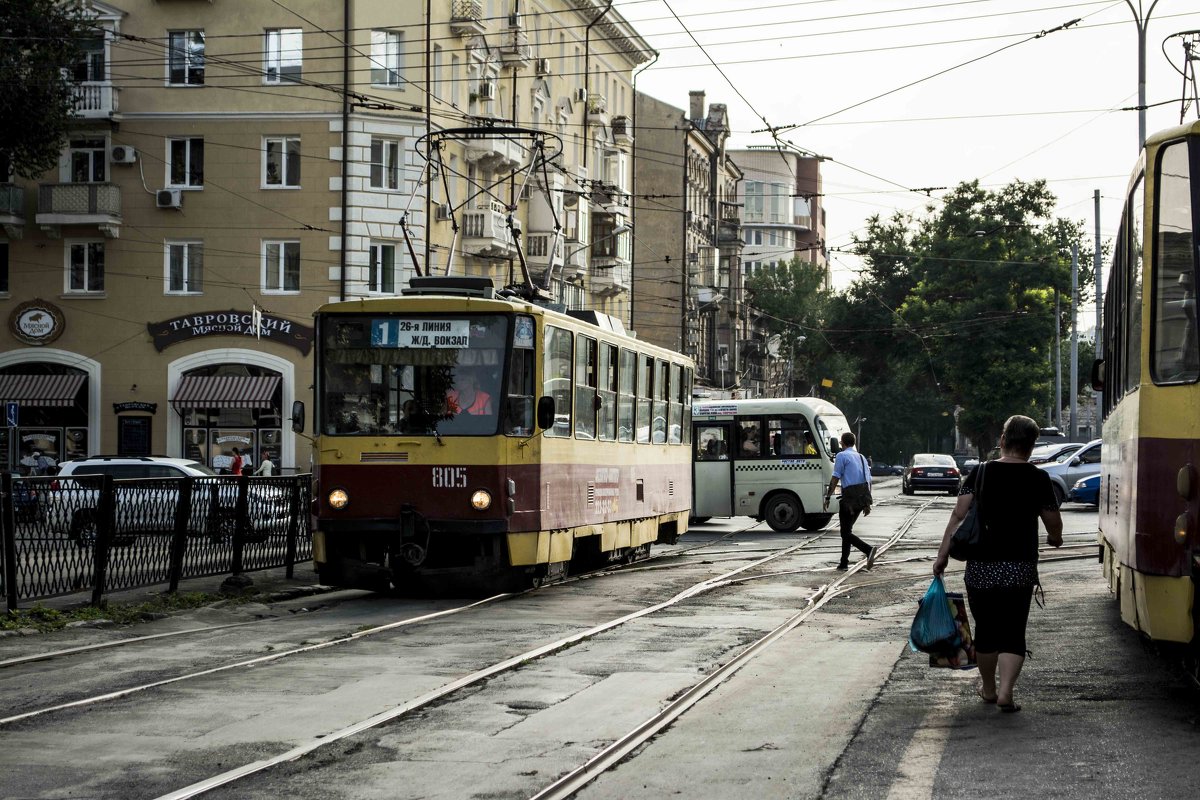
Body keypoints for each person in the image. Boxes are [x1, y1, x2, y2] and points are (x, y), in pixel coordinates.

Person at [933, 414, 1063, 713]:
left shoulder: (979, 473)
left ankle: (989, 690)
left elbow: (958, 515)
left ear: (1002, 441)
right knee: (1014, 631)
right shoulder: (1038, 478)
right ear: (1031, 445)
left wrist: (942, 555)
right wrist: (1055, 538)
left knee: (987, 631)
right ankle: (1007, 693)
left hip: (980, 566)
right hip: (1019, 567)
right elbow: (1052, 519)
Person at [823, 431, 877, 570]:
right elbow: (868, 480)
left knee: (845, 532)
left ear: (842, 443)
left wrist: (828, 496)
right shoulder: (861, 457)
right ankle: (843, 563)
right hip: (861, 500)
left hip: (849, 500)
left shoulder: (841, 456)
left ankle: (868, 550)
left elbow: (835, 477)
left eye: (841, 442)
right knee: (847, 530)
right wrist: (867, 504)